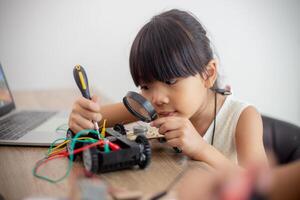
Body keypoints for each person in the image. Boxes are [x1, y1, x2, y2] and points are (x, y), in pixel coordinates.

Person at [68, 9, 268, 169]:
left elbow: (264, 191)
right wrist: (83, 116)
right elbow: (96, 119)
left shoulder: (243, 118)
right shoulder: (151, 106)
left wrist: (201, 149)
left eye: (170, 81)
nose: (156, 98)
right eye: (145, 86)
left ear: (208, 74)